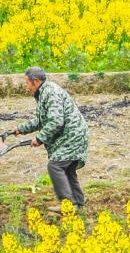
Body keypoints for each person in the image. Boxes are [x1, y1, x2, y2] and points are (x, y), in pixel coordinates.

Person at [12, 66, 89, 213]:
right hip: (72, 135)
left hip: (73, 136)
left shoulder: (50, 93)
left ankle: (67, 204)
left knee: (55, 166)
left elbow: (55, 121)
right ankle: (78, 202)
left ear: (35, 81)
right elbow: (41, 120)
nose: (26, 87)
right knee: (67, 168)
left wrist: (40, 139)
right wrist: (20, 129)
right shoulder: (44, 92)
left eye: (27, 83)